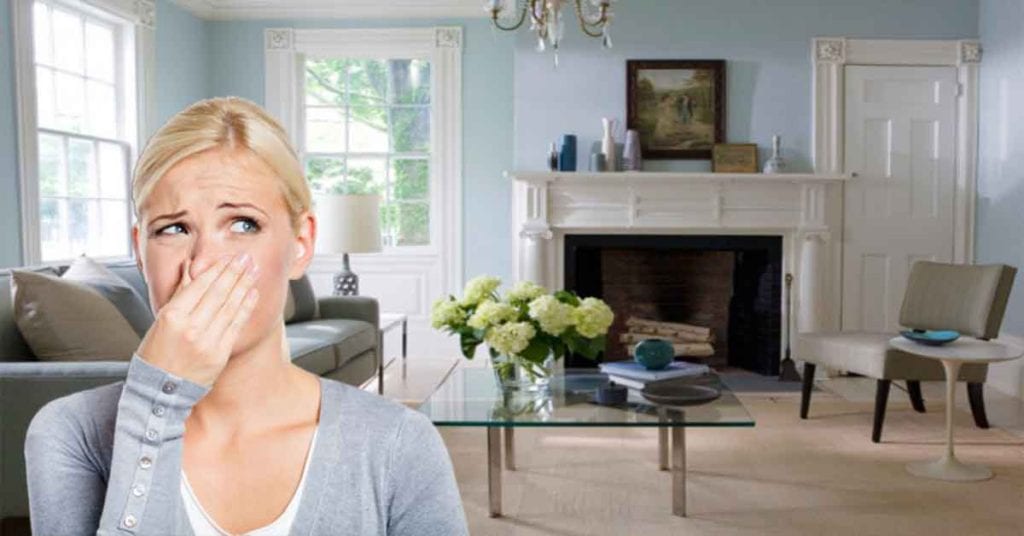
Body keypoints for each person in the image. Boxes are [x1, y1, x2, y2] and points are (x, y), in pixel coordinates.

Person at [23, 97, 469, 535]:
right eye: (173, 229)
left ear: (300, 244)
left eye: (242, 224)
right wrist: (155, 403)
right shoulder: (69, 435)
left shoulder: (399, 445)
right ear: (141, 251)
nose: (202, 265)